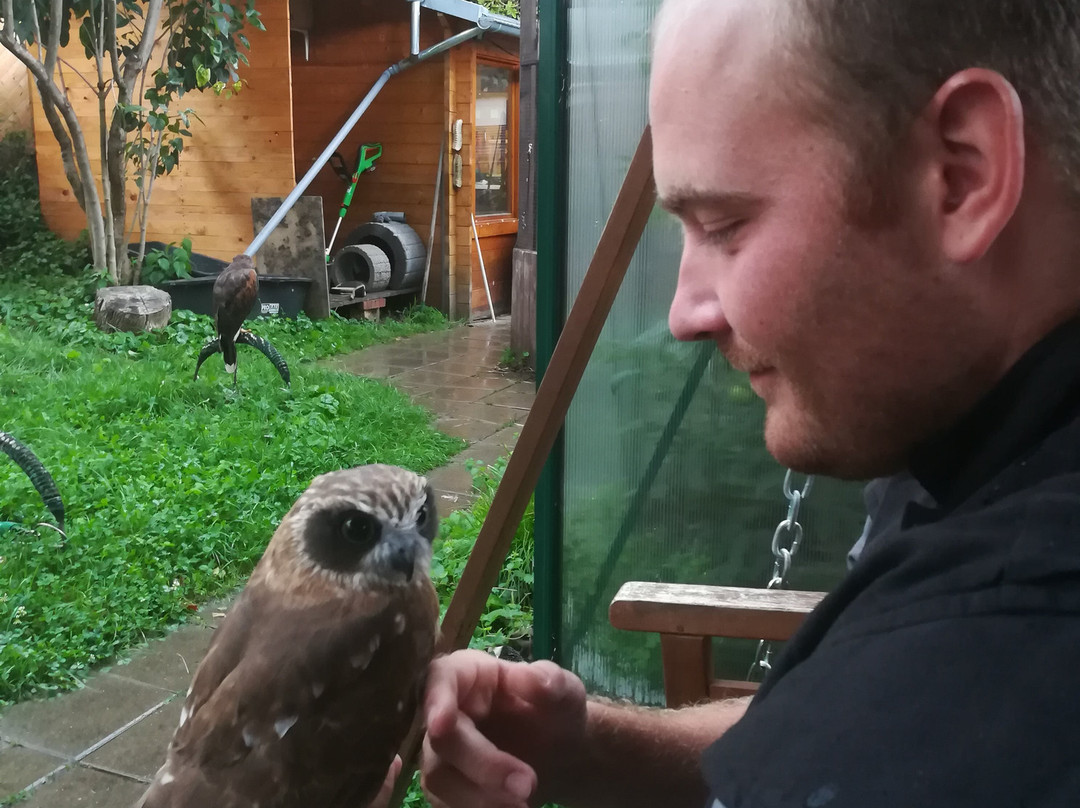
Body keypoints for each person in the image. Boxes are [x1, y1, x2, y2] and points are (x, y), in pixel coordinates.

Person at [419, 1, 1080, 806]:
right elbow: (839, 716)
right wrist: (586, 748)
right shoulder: (969, 439)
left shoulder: (990, 667)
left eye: (726, 225)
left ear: (963, 174)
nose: (683, 312)